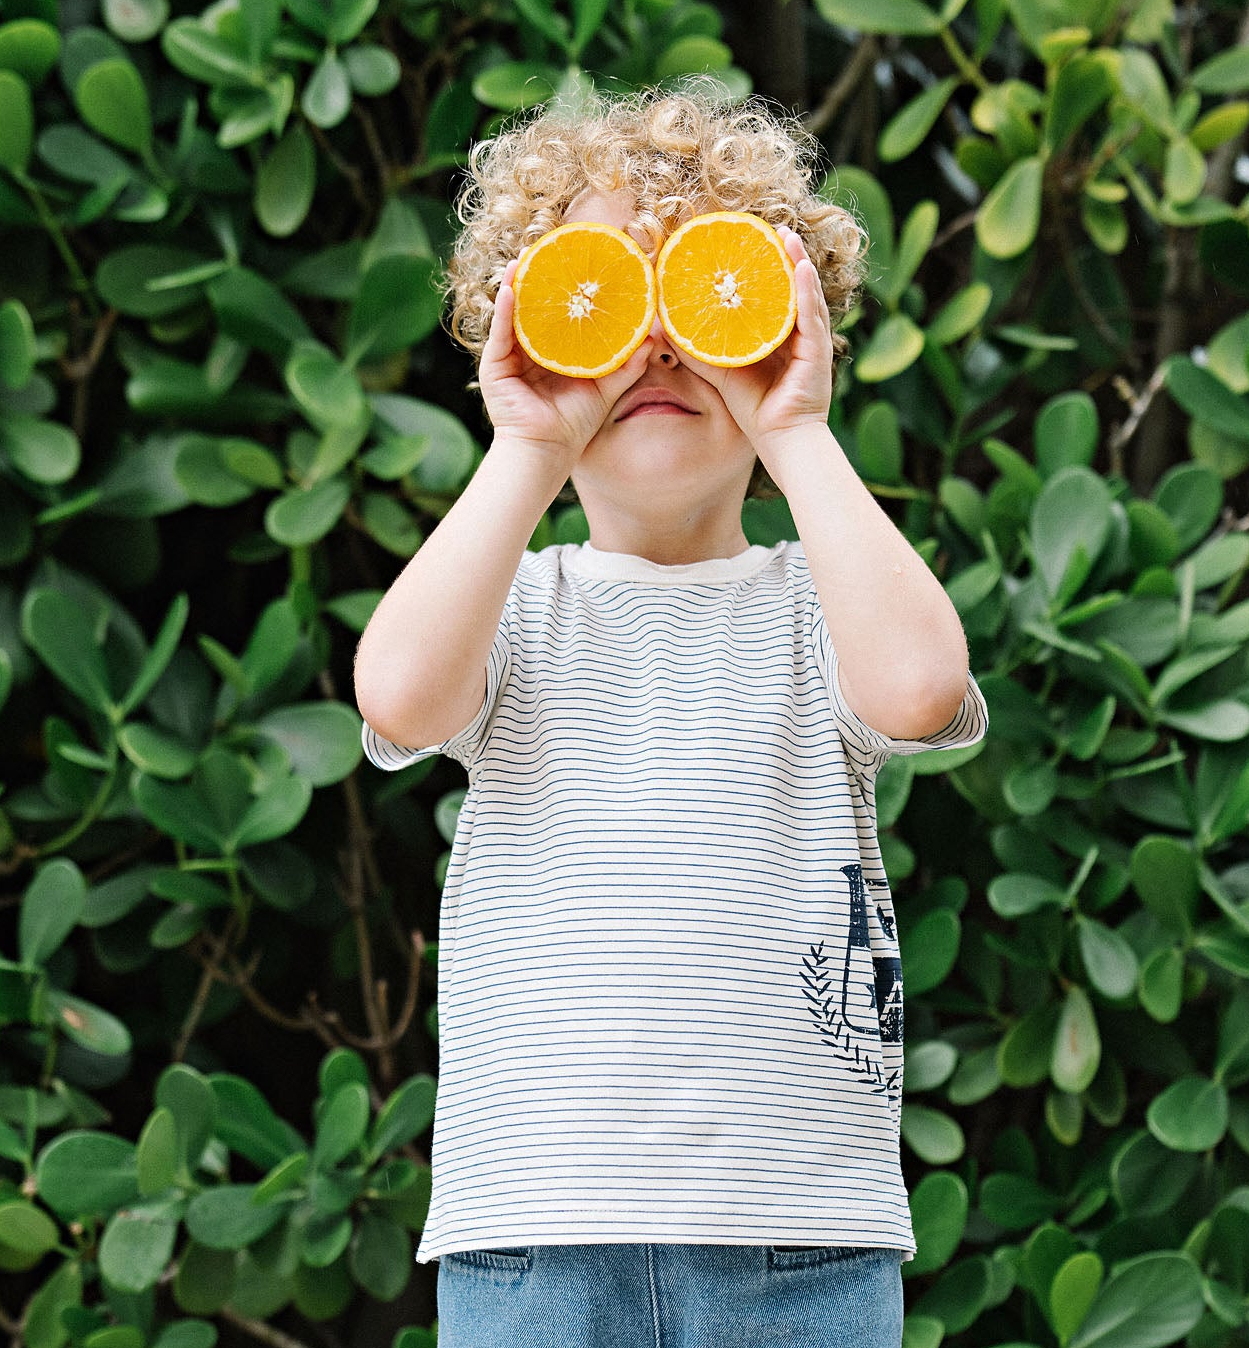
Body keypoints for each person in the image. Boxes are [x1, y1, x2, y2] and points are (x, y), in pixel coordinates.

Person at [353, 85, 988, 1348]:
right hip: (533, 1231)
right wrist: (530, 443)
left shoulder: (821, 603)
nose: (653, 344)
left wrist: (792, 424)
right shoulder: (513, 606)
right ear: (530, 326)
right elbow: (400, 694)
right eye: (604, 294)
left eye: (697, 290)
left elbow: (920, 686)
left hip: (798, 1237)